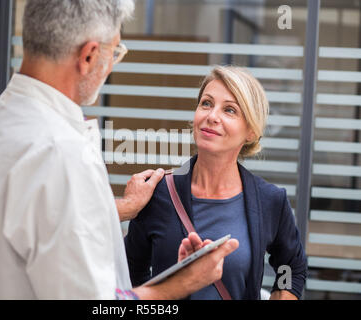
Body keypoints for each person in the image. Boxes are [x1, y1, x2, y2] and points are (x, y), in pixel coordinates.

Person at [0, 0, 238, 300]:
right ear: (89, 55)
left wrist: (118, 207)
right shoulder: (61, 153)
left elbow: (34, 222)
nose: (113, 63)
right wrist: (182, 283)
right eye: (114, 51)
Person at [125, 65, 308, 300]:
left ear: (250, 131)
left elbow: (291, 267)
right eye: (206, 103)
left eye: (229, 110)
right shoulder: (158, 192)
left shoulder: (269, 200)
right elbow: (131, 269)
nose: (212, 116)